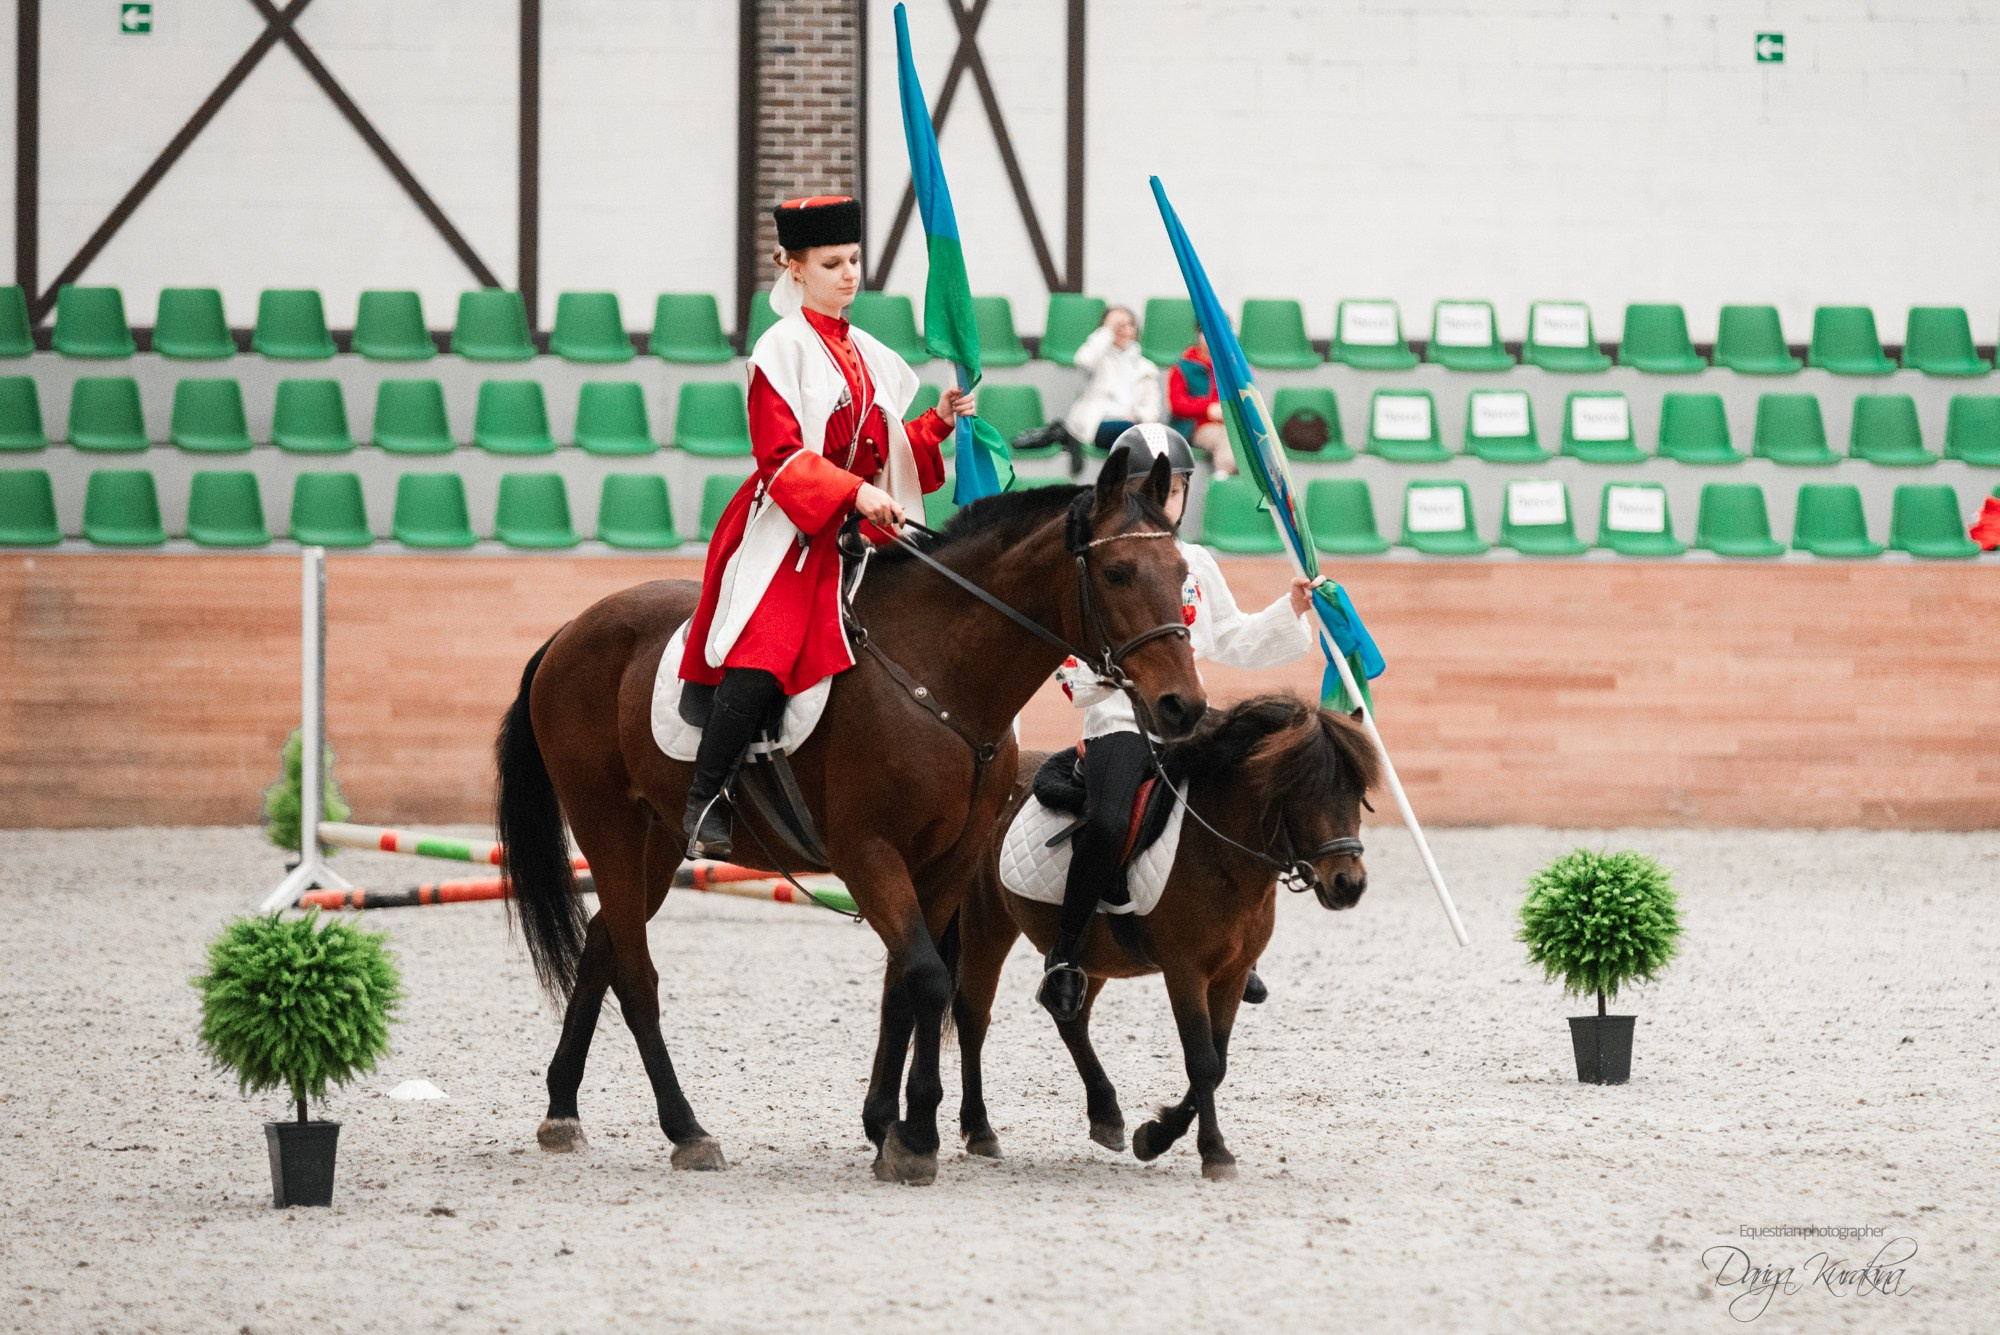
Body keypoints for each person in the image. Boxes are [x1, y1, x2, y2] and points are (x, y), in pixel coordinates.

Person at [677, 195, 976, 857]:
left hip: (859, 527)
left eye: (854, 260)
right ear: (794, 267)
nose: (849, 274)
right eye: (832, 262)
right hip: (791, 526)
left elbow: (886, 445)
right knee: (768, 643)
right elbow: (780, 458)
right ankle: (705, 799)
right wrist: (856, 494)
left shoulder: (865, 350)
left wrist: (940, 421)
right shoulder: (777, 349)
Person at [1037, 423, 1314, 1022]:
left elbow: (1234, 637)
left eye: (1174, 490)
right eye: (1150, 490)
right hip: (1120, 716)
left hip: (1189, 713)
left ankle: (1239, 946)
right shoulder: (1095, 563)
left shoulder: (1198, 562)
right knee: (1109, 821)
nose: (1165, 503)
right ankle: (1065, 954)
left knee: (1254, 796)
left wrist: (1290, 608)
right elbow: (1071, 667)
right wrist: (1112, 681)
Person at [1013, 306, 1160, 468]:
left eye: (1129, 324)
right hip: (1099, 423)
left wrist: (1138, 416)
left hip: (1133, 425)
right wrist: (1107, 331)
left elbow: (1152, 408)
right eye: (1118, 325)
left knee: (1142, 434)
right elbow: (1083, 360)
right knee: (1131, 434)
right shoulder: (1098, 359)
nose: (1124, 330)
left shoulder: (1147, 368)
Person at [1167, 332, 1237, 476]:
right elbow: (1177, 404)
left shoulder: (1234, 367)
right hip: (1197, 427)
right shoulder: (1183, 367)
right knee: (1227, 436)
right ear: (1199, 333)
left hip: (1230, 425)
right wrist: (1207, 409)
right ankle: (1222, 479)